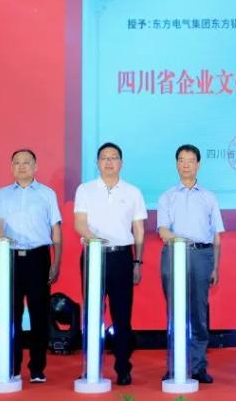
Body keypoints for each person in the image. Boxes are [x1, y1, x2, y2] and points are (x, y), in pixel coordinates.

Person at [73, 142, 146, 386]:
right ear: (97, 163)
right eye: (104, 158)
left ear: (121, 163)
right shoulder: (85, 190)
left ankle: (123, 368)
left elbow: (138, 229)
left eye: (114, 157)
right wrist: (95, 240)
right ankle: (90, 367)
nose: (109, 162)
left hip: (121, 257)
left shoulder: (133, 192)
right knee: (93, 313)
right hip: (94, 255)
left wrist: (137, 261)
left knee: (122, 316)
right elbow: (79, 223)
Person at [0, 149, 62, 383]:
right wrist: (0, 236)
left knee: (39, 314)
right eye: (17, 162)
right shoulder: (2, 194)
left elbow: (55, 229)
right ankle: (12, 366)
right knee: (12, 315)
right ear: (11, 167)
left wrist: (56, 261)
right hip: (10, 257)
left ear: (35, 166)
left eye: (26, 162)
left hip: (38, 257)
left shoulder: (47, 194)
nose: (21, 166)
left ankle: (37, 368)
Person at [157, 144, 224, 384]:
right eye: (181, 160)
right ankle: (175, 366)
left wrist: (215, 266)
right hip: (174, 254)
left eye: (190, 160)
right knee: (175, 312)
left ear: (198, 164)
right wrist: (180, 240)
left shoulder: (209, 197)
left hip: (201, 255)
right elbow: (163, 230)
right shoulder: (167, 196)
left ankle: (197, 366)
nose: (186, 164)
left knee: (199, 313)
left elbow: (216, 236)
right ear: (176, 164)